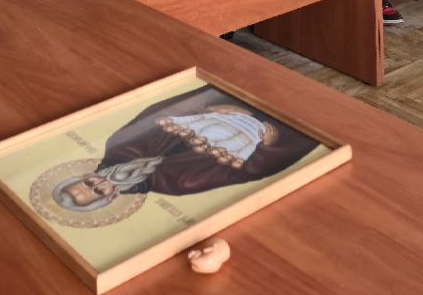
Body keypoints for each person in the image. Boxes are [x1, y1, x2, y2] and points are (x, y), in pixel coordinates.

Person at [41, 85, 319, 214]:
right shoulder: (179, 183)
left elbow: (159, 111)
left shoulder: (119, 144)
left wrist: (209, 106)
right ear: (111, 197)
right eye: (99, 192)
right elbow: (244, 173)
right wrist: (268, 146)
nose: (101, 183)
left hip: (233, 98)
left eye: (88, 183)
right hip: (270, 127)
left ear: (85, 175)